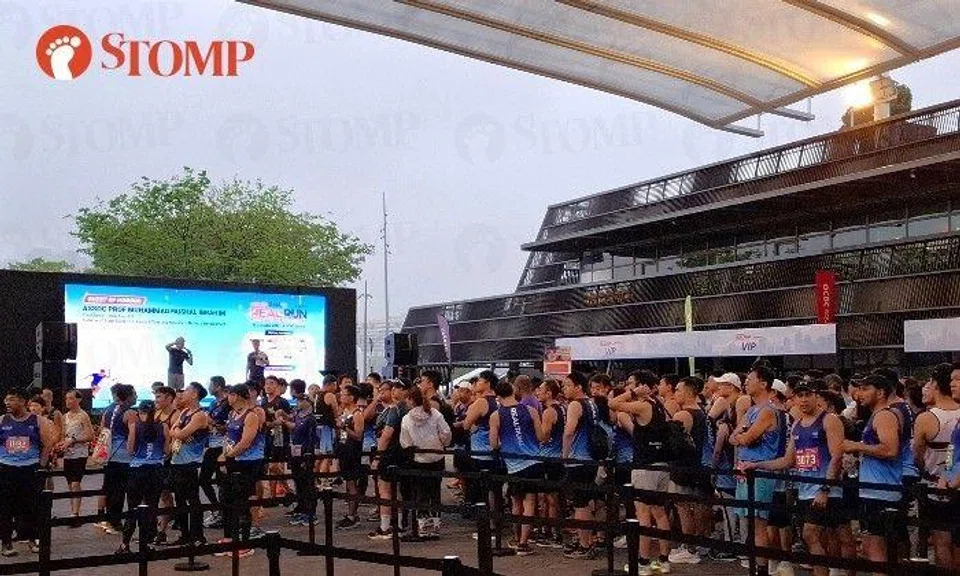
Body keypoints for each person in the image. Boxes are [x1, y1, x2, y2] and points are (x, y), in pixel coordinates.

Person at [743, 380, 849, 576]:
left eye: (807, 395)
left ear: (816, 396)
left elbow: (837, 456)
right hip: (805, 490)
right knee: (819, 537)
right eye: (799, 395)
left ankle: (838, 571)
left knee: (819, 534)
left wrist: (825, 489)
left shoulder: (829, 420)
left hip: (826, 490)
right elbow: (787, 460)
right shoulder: (798, 425)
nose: (803, 400)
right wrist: (757, 465)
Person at [610, 370, 672, 574]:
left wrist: (630, 392)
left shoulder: (644, 405)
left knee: (643, 514)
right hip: (662, 464)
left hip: (645, 465)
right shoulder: (659, 404)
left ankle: (643, 562)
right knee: (660, 513)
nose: (629, 385)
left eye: (632, 382)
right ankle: (664, 560)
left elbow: (613, 404)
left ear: (642, 386)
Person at [730, 365, 787, 576]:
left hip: (761, 471)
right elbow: (733, 437)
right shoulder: (751, 410)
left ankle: (762, 569)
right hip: (744, 471)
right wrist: (742, 436)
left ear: (763, 384)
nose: (746, 382)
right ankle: (757, 565)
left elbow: (746, 437)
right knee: (749, 523)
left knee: (759, 523)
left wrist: (743, 436)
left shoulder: (768, 411)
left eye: (751, 379)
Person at [841, 374, 903, 565]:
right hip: (874, 489)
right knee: (873, 546)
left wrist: (856, 446)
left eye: (866, 389)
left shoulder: (884, 415)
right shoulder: (877, 415)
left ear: (881, 392)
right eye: (859, 389)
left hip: (882, 490)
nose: (860, 394)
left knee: (876, 548)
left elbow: (890, 449)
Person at [913, 363, 960, 568]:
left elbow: (919, 454)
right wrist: (947, 473)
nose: (953, 384)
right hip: (942, 487)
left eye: (957, 379)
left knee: (947, 542)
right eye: (951, 380)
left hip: (946, 489)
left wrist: (952, 479)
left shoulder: (927, 418)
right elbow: (953, 449)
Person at [0, 388, 56, 557]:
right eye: (6, 400)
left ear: (23, 401)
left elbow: (47, 444)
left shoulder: (37, 421)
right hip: (6, 469)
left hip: (29, 469)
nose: (7, 403)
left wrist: (41, 465)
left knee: (31, 507)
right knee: (5, 508)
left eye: (11, 399)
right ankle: (6, 543)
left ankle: (33, 539)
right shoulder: (2, 420)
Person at [489, 379, 540, 555]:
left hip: (513, 465)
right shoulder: (530, 410)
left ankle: (516, 538)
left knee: (516, 501)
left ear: (498, 396)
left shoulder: (496, 415)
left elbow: (493, 443)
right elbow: (540, 436)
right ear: (513, 392)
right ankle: (524, 543)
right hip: (533, 461)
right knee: (530, 502)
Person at [215, 384, 265, 559]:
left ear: (235, 396)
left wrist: (228, 456)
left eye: (229, 395)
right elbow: (228, 439)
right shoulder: (231, 414)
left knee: (242, 500)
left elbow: (246, 442)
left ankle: (244, 543)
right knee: (227, 498)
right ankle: (229, 538)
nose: (227, 398)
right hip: (232, 460)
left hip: (248, 462)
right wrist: (224, 455)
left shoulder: (251, 415)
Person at [116, 400, 170, 555]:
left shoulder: (135, 427)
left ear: (139, 412)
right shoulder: (163, 426)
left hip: (137, 471)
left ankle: (125, 544)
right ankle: (145, 544)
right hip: (156, 471)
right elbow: (167, 451)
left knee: (133, 508)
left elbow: (130, 450)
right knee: (151, 507)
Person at [400, 386, 452, 539]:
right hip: (436, 457)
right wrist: (442, 444)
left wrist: (412, 447)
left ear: (410, 400)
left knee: (420, 492)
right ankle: (436, 523)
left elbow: (405, 441)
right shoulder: (434, 414)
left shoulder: (407, 418)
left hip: (418, 459)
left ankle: (422, 525)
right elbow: (446, 432)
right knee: (435, 490)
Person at [562, 371, 600, 560]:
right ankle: (586, 540)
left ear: (578, 387)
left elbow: (569, 431)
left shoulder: (576, 404)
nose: (564, 389)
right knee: (585, 502)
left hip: (578, 459)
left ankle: (585, 544)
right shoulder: (592, 403)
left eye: (568, 385)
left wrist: (564, 456)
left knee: (580, 504)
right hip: (591, 458)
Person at [369, 379, 411, 540]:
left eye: (398, 388)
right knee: (398, 489)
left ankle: (385, 527)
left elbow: (386, 435)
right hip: (402, 453)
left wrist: (378, 457)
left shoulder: (395, 410)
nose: (395, 391)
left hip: (389, 453)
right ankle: (399, 524)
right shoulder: (407, 409)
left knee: (385, 489)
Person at [169, 382, 210, 546]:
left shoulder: (200, 415)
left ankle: (198, 535)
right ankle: (184, 534)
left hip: (190, 463)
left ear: (195, 394)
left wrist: (178, 433)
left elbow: (181, 433)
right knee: (179, 500)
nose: (183, 393)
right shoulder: (185, 411)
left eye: (186, 390)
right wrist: (178, 433)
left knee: (193, 500)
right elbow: (174, 431)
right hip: (177, 460)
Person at [98, 383, 138, 535]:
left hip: (109, 456)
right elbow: (133, 436)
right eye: (134, 394)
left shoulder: (108, 410)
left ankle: (111, 521)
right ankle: (120, 523)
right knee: (124, 491)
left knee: (112, 490)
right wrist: (133, 452)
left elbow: (102, 431)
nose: (136, 397)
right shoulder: (130, 413)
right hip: (125, 458)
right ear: (127, 396)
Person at [457, 370, 499, 507]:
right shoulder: (497, 401)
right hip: (495, 450)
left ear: (487, 383)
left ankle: (484, 520)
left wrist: (471, 424)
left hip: (480, 452)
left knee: (481, 488)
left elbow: (467, 424)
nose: (476, 383)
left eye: (479, 381)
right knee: (493, 488)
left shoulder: (481, 402)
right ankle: (494, 518)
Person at [535, 379, 565, 549]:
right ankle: (552, 531)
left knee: (550, 498)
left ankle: (553, 533)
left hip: (549, 457)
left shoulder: (548, 412)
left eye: (540, 389)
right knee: (554, 497)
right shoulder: (562, 407)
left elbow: (544, 437)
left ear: (549, 393)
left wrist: (534, 428)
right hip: (558, 456)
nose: (537, 392)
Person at [57, 389, 95, 526]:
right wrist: (60, 444)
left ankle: (75, 513)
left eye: (71, 398)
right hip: (68, 454)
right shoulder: (65, 416)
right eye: (67, 398)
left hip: (80, 453)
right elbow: (62, 435)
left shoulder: (83, 415)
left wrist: (74, 440)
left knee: (75, 483)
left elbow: (91, 436)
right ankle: (72, 511)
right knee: (69, 484)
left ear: (78, 400)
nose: (68, 401)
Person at [284, 380, 317, 527]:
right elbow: (294, 428)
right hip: (295, 452)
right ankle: (302, 508)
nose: (297, 403)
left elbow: (311, 439)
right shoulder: (298, 415)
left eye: (300, 400)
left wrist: (308, 456)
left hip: (306, 454)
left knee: (307, 484)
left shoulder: (310, 419)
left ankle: (310, 513)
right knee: (298, 482)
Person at [201, 377, 230, 529]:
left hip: (222, 447)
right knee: (204, 479)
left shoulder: (227, 405)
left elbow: (227, 427)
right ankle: (217, 508)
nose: (209, 387)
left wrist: (211, 422)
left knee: (222, 482)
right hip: (211, 445)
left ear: (218, 387)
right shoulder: (213, 404)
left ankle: (223, 514)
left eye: (210, 385)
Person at [335, 384, 365, 529]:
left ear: (352, 397)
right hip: (344, 450)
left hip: (352, 452)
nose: (341, 396)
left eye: (344, 394)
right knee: (348, 483)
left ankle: (353, 515)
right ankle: (350, 514)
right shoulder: (345, 411)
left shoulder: (357, 414)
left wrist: (344, 427)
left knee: (352, 484)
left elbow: (358, 436)